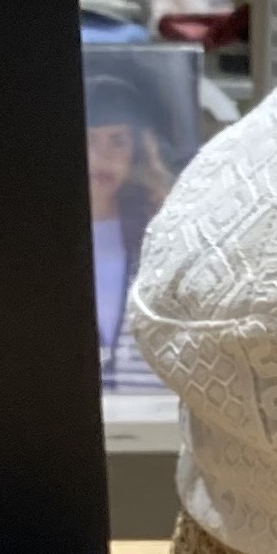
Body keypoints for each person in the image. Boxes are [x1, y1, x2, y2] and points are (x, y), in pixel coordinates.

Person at [86, 69, 175, 385]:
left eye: (118, 141)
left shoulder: (162, 235)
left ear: (137, 151)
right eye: (89, 139)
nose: (102, 156)